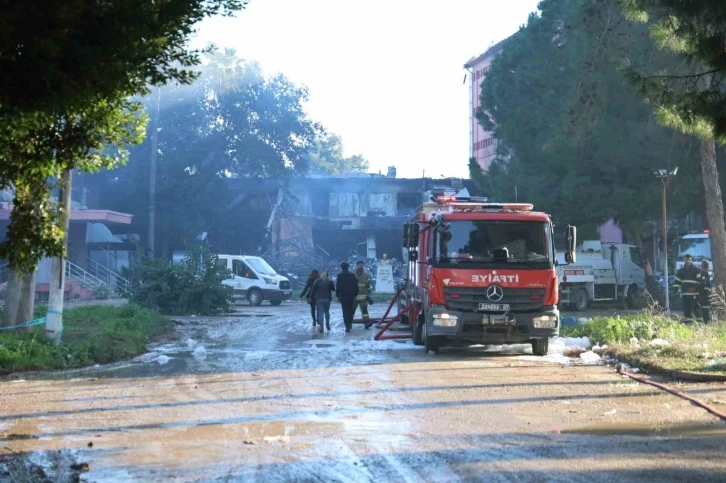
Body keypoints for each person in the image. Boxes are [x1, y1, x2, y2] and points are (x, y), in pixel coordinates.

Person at [674, 254, 699, 321]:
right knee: (686, 308)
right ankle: (688, 321)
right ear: (684, 260)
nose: (687, 261)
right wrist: (674, 290)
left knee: (695, 308)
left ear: (691, 260)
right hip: (685, 293)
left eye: (689, 260)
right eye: (686, 260)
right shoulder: (681, 271)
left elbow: (700, 282)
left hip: (694, 294)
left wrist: (697, 289)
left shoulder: (696, 270)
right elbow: (677, 281)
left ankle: (698, 322)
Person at [336, 262, 359, 333]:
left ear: (341, 267)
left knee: (345, 311)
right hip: (351, 295)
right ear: (348, 267)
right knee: (350, 310)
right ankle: (350, 322)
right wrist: (355, 294)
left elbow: (338, 286)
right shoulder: (352, 275)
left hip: (343, 296)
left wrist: (337, 295)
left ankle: (347, 326)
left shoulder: (340, 275)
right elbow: (356, 285)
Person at [353, 260, 373, 329]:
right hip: (354, 297)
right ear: (356, 266)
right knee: (352, 311)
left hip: (363, 297)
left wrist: (369, 294)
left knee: (365, 312)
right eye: (359, 265)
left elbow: (368, 285)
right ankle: (349, 324)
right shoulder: (353, 274)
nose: (360, 266)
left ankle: (366, 323)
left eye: (361, 265)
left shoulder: (365, 275)